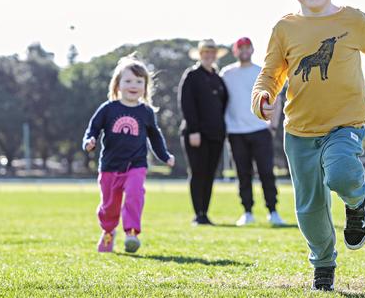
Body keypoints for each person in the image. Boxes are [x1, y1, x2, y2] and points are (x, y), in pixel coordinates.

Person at [251, 0, 365, 291]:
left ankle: (357, 202)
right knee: (309, 209)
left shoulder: (354, 20)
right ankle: (323, 263)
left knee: (343, 175)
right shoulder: (284, 29)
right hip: (299, 132)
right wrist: (262, 96)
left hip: (344, 124)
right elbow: (271, 73)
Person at [83, 54, 175, 253]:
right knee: (109, 206)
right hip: (109, 166)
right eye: (128, 81)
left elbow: (155, 137)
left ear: (145, 87)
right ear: (117, 85)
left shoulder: (146, 112)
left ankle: (132, 232)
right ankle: (108, 231)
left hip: (136, 164)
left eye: (139, 81)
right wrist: (89, 141)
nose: (133, 85)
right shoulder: (108, 109)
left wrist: (165, 155)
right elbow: (93, 129)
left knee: (135, 194)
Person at [220, 37, 286, 227]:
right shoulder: (227, 74)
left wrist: (272, 126)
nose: (244, 51)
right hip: (235, 132)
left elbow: (276, 99)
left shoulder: (261, 72)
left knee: (266, 172)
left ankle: (273, 211)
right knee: (243, 173)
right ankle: (247, 211)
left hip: (260, 129)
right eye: (241, 48)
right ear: (235, 51)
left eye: (247, 47)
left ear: (253, 49)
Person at [178, 39, 229, 226]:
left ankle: (205, 213)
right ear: (200, 55)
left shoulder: (218, 78)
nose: (209, 55)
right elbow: (186, 104)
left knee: (209, 175)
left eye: (212, 52)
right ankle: (197, 214)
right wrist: (193, 130)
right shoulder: (192, 76)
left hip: (216, 135)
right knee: (198, 173)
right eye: (205, 52)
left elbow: (223, 106)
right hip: (196, 134)